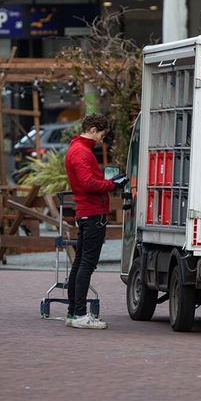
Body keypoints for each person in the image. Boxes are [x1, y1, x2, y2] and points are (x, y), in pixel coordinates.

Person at [64, 114, 128, 329]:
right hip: (92, 213)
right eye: (102, 134)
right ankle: (80, 314)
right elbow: (88, 183)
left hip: (85, 212)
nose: (102, 139)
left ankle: (73, 312)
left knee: (80, 263)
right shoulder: (82, 152)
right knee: (86, 264)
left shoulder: (76, 149)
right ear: (92, 129)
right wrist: (112, 185)